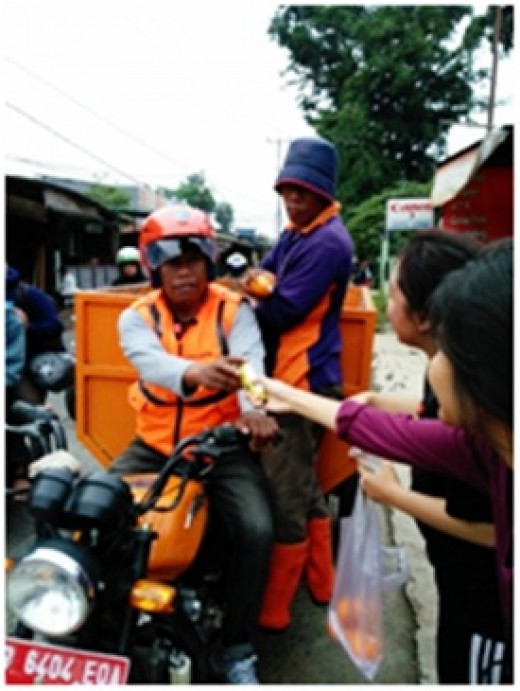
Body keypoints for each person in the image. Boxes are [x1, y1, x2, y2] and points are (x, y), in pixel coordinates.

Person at [245, 239, 513, 684]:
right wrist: (291, 394)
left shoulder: (478, 443)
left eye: (452, 349)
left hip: (481, 614)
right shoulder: (483, 440)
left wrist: (394, 496)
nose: (436, 364)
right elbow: (383, 427)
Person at [109, 204, 279, 684]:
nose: (184, 272)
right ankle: (96, 620)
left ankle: (237, 648)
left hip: (219, 446)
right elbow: (151, 365)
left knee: (256, 528)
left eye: (193, 260)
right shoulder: (136, 317)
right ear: (154, 267)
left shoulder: (234, 310)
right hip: (153, 445)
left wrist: (255, 412)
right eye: (172, 262)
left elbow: (252, 366)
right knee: (92, 511)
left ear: (209, 261)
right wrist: (196, 372)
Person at [351, 230, 505, 684]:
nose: (387, 304)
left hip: (485, 607)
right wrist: (380, 402)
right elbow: (431, 416)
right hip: (457, 585)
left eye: (393, 293)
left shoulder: (470, 394)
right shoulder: (455, 372)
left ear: (425, 315)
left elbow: (497, 530)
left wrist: (393, 495)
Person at [242, 136, 354, 631]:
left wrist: (249, 304)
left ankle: (273, 610)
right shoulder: (296, 232)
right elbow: (263, 276)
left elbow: (282, 309)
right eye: (287, 191)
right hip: (305, 377)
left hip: (300, 379)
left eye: (302, 193)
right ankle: (323, 583)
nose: (292, 200)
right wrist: (255, 287)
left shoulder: (328, 242)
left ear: (324, 195)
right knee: (306, 488)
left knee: (283, 490)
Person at [6, 265, 66, 404]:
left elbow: (55, 326)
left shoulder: (29, 295)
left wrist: (28, 327)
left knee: (28, 404)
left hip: (27, 362)